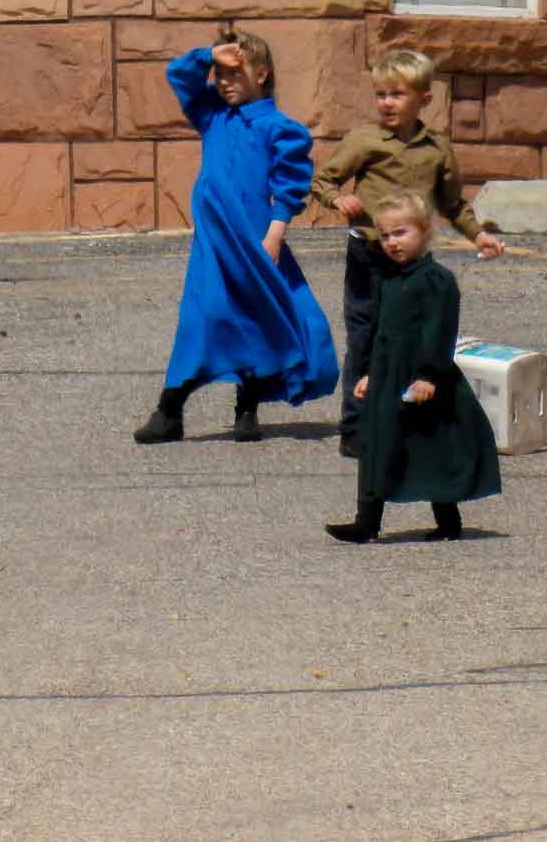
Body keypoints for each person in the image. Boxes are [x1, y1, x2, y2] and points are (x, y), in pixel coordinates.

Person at [132, 28, 339, 444]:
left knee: (256, 316)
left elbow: (290, 183)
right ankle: (170, 408)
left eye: (234, 73)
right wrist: (209, 54)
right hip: (213, 244)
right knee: (203, 315)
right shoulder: (211, 115)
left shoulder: (279, 128)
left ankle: (248, 406)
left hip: (254, 242)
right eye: (219, 74)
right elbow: (179, 75)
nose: (223, 82)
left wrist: (276, 233)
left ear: (261, 74)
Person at [310, 49, 503, 459]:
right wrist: (338, 199)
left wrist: (478, 235)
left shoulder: (437, 149)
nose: (387, 103)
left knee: (410, 338)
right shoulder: (364, 140)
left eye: (397, 94)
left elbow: (453, 204)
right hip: (368, 253)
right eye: (381, 95)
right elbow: (323, 180)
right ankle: (356, 425)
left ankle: (403, 415)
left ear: (424, 99)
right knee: (364, 339)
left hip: (412, 264)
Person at [325, 193, 501, 543]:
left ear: (425, 230)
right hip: (388, 376)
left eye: (400, 233)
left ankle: (448, 520)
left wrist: (428, 375)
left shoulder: (437, 281)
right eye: (386, 236)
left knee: (431, 444)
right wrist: (371, 374)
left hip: (422, 377)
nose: (392, 243)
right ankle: (367, 522)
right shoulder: (387, 279)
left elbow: (439, 332)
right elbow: (382, 333)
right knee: (376, 445)